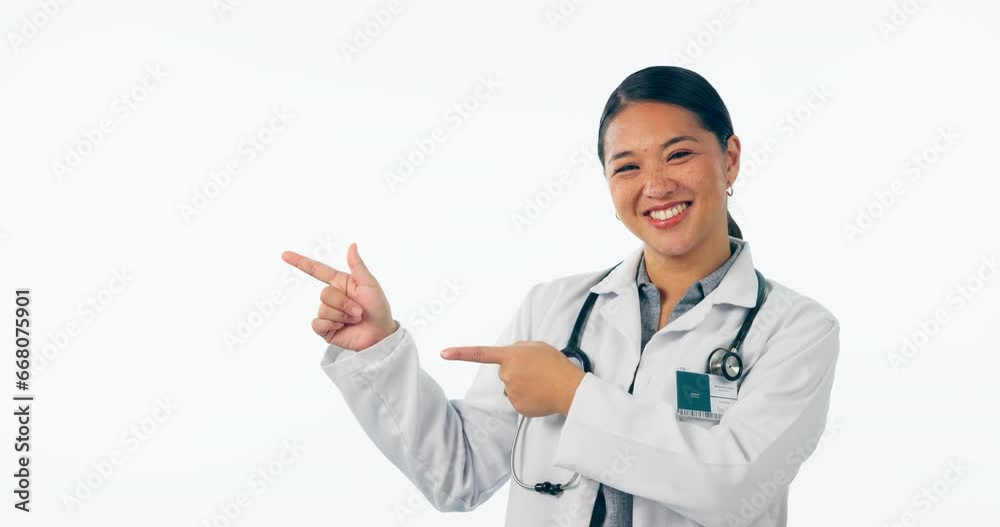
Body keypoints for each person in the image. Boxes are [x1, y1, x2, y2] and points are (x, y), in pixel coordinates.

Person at [281, 65, 840, 527]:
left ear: (730, 159)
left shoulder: (794, 329)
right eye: (627, 167)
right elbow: (458, 475)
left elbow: (733, 491)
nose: (656, 185)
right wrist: (376, 348)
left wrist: (572, 394)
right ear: (609, 186)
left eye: (678, 155)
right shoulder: (554, 310)